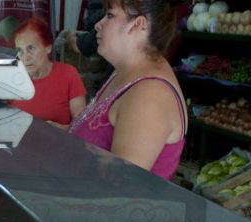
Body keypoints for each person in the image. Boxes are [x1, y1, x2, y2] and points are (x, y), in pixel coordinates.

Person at [69, 0, 186, 180]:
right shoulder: (123, 72)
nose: (98, 25)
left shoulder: (149, 95)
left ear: (138, 24)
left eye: (110, 15)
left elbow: (121, 184)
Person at [10, 18, 87, 127]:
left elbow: (82, 127)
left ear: (48, 47)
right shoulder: (11, 78)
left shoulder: (68, 74)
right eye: (20, 50)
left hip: (58, 142)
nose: (25, 57)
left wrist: (61, 130)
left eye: (31, 48)